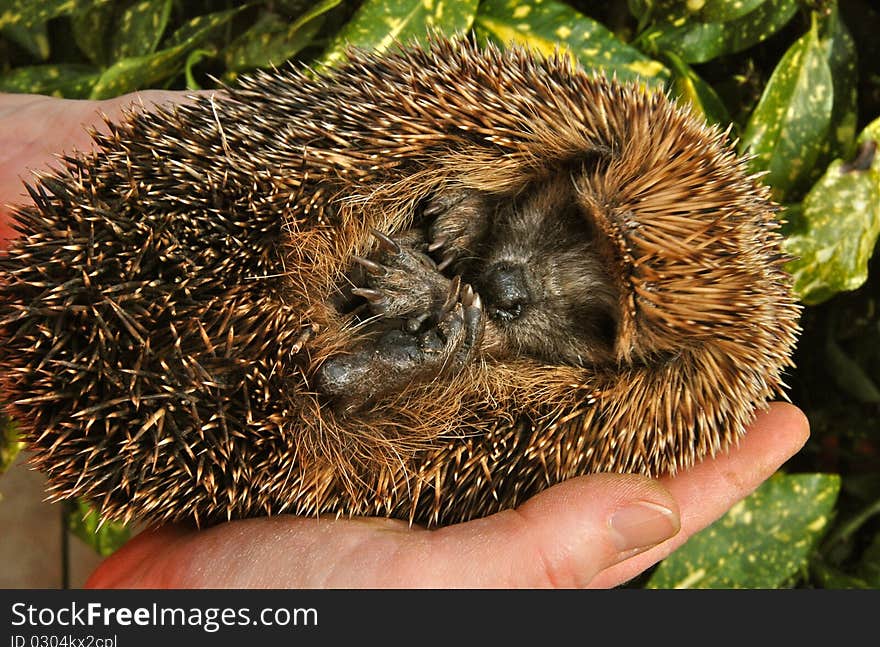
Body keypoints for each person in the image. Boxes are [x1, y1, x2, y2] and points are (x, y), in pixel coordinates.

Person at [0, 91, 810, 588]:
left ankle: (383, 368)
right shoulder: (492, 146)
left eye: (595, 321)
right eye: (569, 225)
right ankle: (379, 363)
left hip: (314, 401)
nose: (525, 284)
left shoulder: (620, 406)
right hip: (252, 246)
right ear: (572, 163)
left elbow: (500, 432)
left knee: (423, 421)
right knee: (322, 203)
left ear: (636, 368)